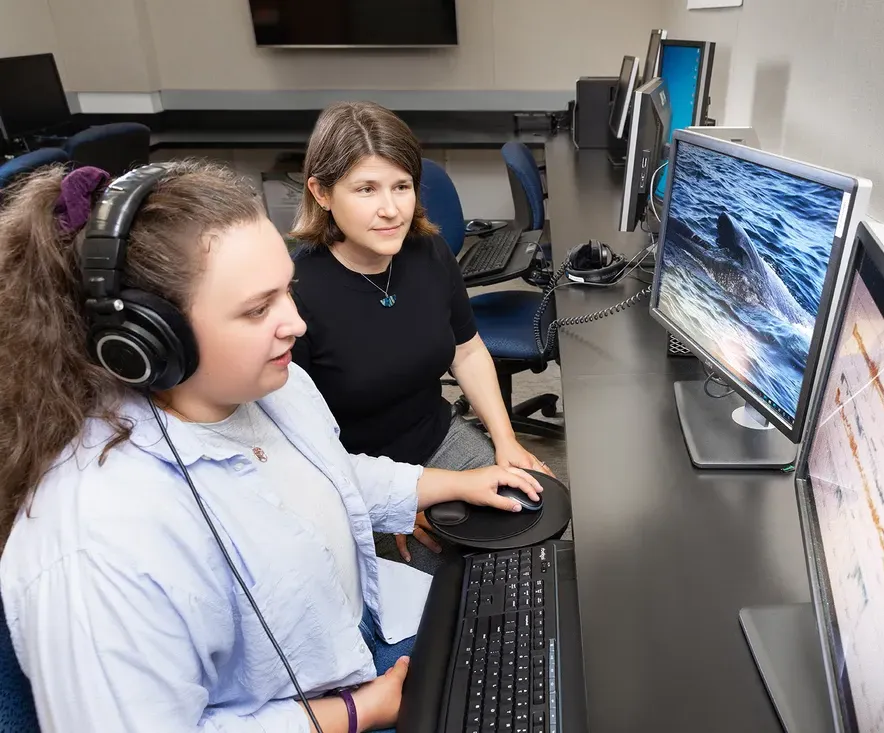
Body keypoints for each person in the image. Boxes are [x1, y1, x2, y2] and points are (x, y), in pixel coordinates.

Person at [0, 160, 542, 732]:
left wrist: (447, 484)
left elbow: (319, 472)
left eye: (288, 290)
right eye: (258, 309)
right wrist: (356, 713)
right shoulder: (99, 546)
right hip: (310, 709)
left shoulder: (269, 385)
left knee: (528, 635)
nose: (296, 324)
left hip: (347, 645)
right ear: (147, 341)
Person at [288, 101, 554, 572]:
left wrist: (506, 439)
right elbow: (298, 448)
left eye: (402, 187)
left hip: (438, 439)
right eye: (366, 189)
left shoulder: (428, 252)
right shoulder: (295, 292)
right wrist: (390, 506)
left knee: (538, 516)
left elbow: (468, 351)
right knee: (447, 582)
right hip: (353, 478)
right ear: (322, 193)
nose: (391, 210)